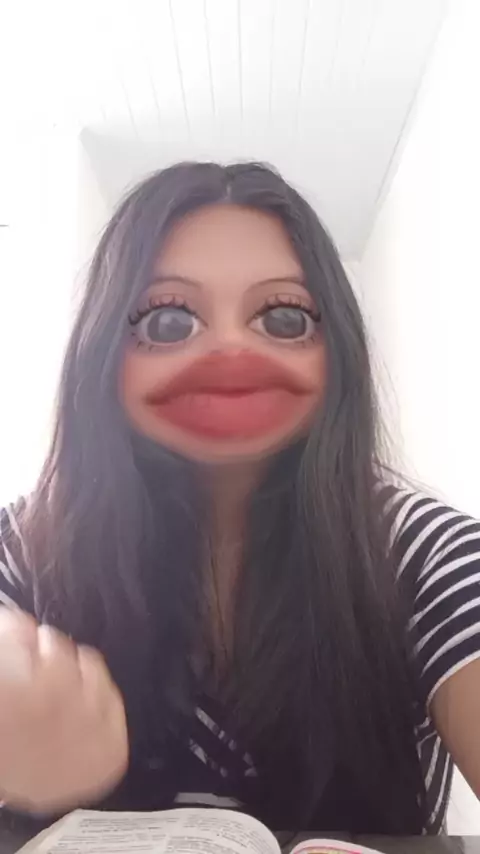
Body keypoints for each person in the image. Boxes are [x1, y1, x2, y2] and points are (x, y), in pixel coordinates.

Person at [0, 162, 480, 836]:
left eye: (284, 318)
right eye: (168, 321)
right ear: (101, 353)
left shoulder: (423, 553)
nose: (230, 348)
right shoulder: (27, 545)